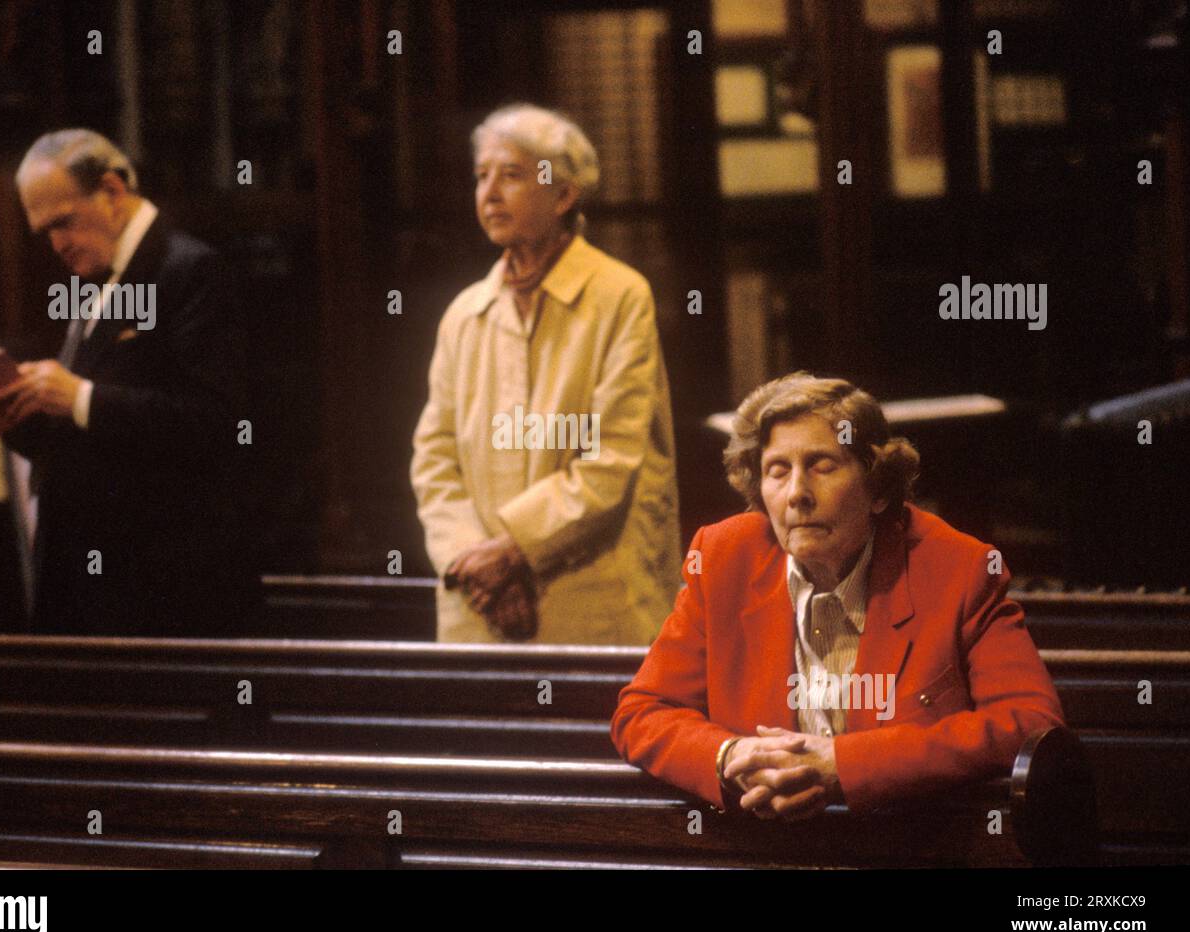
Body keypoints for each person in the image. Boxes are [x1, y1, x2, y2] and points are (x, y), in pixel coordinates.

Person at [611, 372, 1065, 817]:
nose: (796, 494)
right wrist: (730, 757)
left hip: (906, 852)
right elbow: (644, 711)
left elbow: (1030, 723)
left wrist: (842, 764)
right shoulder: (722, 559)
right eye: (777, 471)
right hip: (756, 847)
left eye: (822, 466)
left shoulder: (957, 569)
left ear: (878, 490)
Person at [411, 103, 681, 644]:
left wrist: (514, 552)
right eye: (481, 177)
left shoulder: (618, 297)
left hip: (591, 603)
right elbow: (434, 460)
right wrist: (476, 561)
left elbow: (611, 459)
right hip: (479, 605)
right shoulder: (465, 313)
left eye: (511, 175)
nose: (489, 193)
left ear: (563, 195)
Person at [0, 129, 256, 636]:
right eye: (45, 231)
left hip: (160, 589)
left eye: (64, 222)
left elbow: (216, 422)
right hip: (86, 586)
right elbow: (86, 430)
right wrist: (20, 413)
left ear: (112, 191)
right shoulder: (91, 278)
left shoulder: (190, 268)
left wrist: (79, 396)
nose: (58, 245)